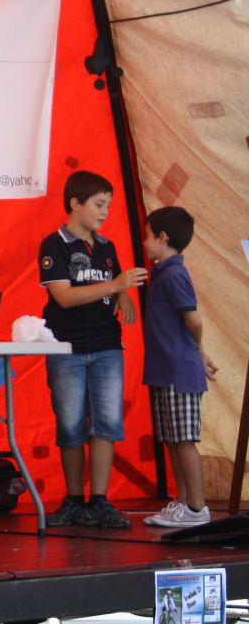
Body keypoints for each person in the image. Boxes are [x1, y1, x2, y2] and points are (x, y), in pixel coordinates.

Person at [38, 170, 147, 529]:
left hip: (107, 346)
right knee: (70, 425)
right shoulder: (53, 244)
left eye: (109, 206)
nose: (105, 212)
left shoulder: (106, 247)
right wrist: (115, 286)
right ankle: (73, 500)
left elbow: (113, 282)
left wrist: (123, 295)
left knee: (107, 423)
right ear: (75, 203)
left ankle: (99, 501)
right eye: (99, 204)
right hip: (67, 348)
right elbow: (64, 296)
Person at [141, 207, 217, 527]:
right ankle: (183, 504)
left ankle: (197, 508)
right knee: (172, 440)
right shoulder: (161, 273)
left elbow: (193, 320)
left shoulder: (174, 275)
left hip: (178, 372)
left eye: (147, 236)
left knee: (184, 439)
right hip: (164, 370)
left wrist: (197, 350)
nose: (144, 242)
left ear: (163, 238)